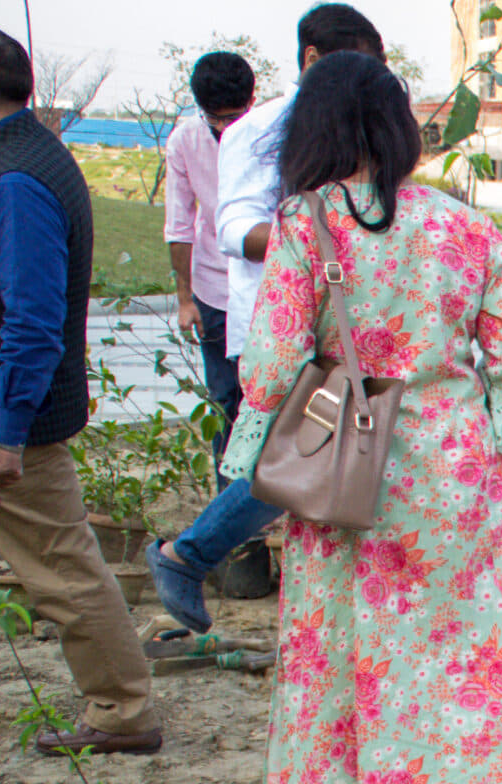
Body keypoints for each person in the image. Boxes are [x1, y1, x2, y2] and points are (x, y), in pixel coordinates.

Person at [217, 51, 502, 784]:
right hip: (449, 471)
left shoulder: (303, 226)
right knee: (443, 680)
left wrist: (261, 434)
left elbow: (271, 368)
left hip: (343, 473)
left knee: (353, 679)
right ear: (399, 126)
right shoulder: (461, 228)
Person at [0, 22, 161, 756]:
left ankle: (125, 710)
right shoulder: (13, 159)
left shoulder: (15, 180)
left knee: (63, 572)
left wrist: (6, 432)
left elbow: (32, 317)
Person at [147, 3, 385, 632]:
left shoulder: (363, 122)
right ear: (311, 60)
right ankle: (188, 554)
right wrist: (318, 245)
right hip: (279, 317)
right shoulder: (260, 130)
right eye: (354, 65)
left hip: (351, 314)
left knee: (321, 453)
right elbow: (230, 227)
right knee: (295, 458)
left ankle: (192, 556)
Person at [163, 50, 257, 462]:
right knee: (224, 399)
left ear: (250, 105)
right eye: (214, 119)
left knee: (272, 395)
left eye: (232, 118)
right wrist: (185, 299)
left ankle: (276, 501)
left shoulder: (271, 134)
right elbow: (179, 224)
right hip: (212, 287)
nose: (223, 128)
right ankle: (231, 511)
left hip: (266, 286)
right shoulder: (185, 139)